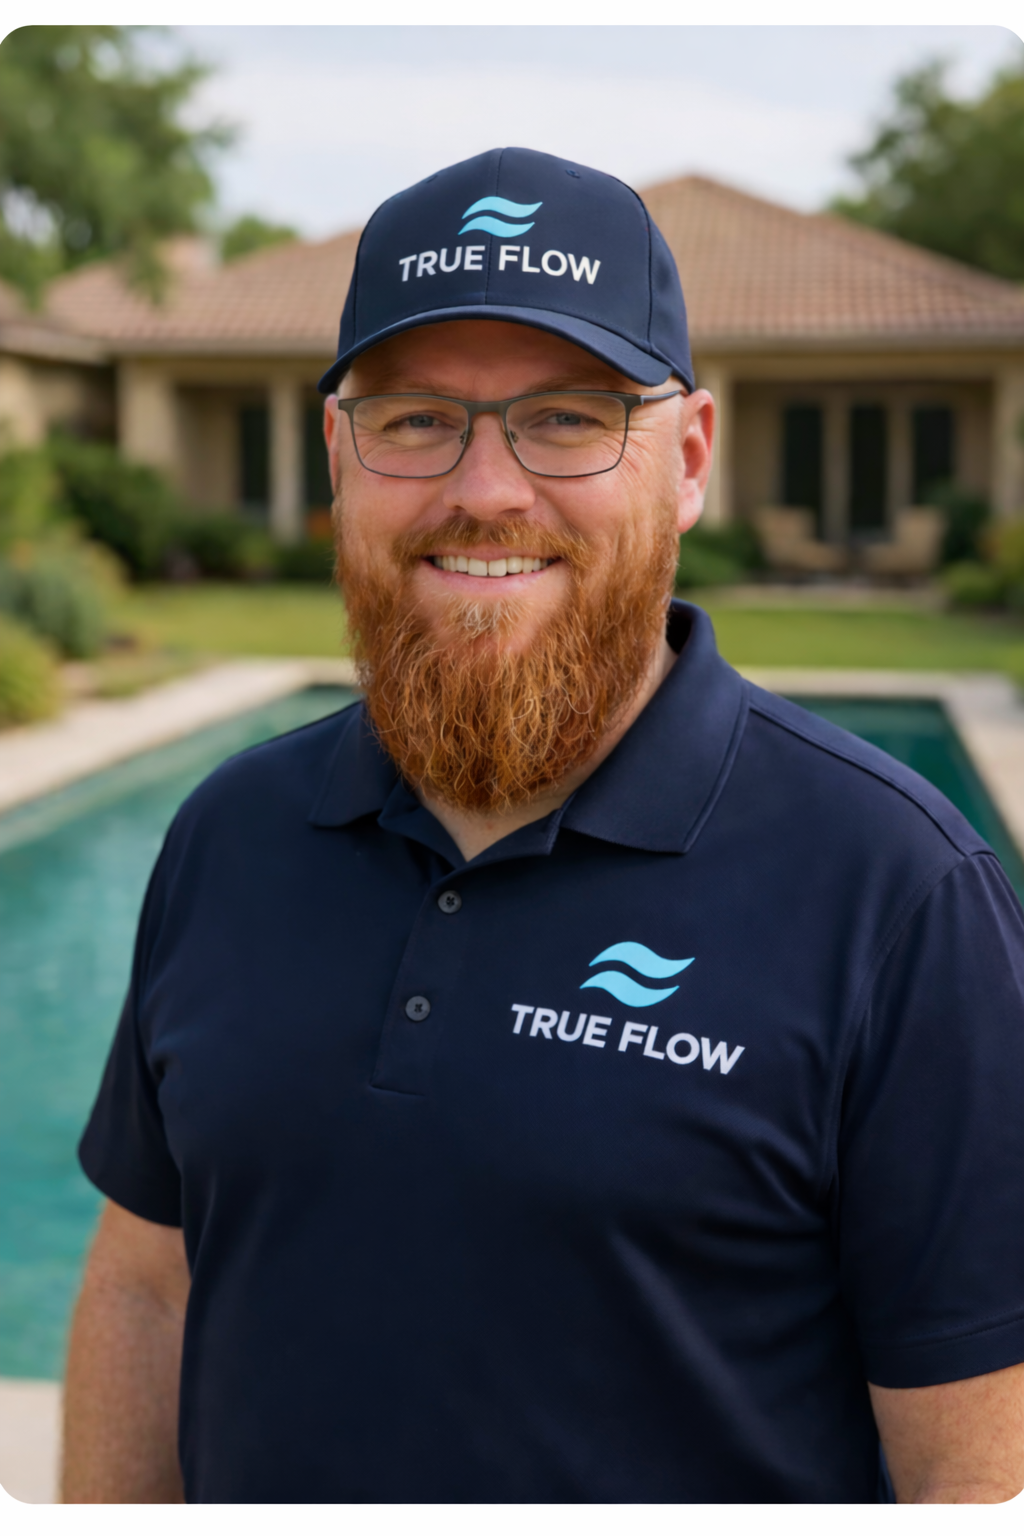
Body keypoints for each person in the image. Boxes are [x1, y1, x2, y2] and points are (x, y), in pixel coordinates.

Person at [62, 147, 1024, 1505]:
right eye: (414, 420)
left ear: (688, 459)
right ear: (339, 456)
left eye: (568, 418)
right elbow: (148, 1283)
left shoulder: (898, 892)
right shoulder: (232, 832)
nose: (487, 490)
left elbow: (981, 1470)